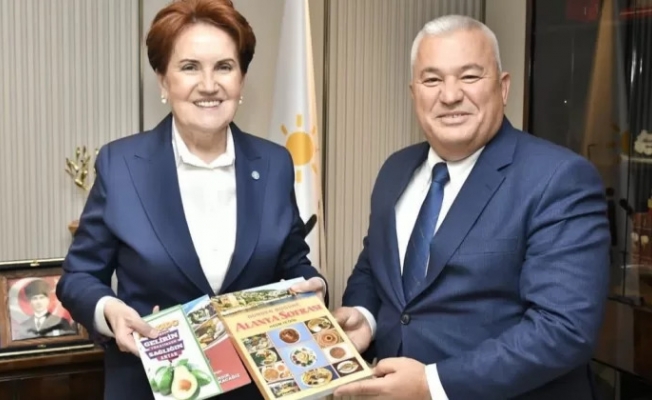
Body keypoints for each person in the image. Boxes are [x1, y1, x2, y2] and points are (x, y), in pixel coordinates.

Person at [55, 0, 325, 399]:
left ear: (242, 79)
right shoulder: (121, 165)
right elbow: (78, 277)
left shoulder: (274, 164)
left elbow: (292, 262)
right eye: (190, 67)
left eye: (224, 67)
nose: (209, 84)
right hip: (149, 384)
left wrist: (313, 285)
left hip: (253, 388)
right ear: (164, 82)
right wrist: (109, 311)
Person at [333, 15, 610, 400]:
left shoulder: (559, 179)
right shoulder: (395, 169)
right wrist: (365, 317)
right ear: (414, 93)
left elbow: (563, 329)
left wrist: (432, 385)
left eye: (469, 76)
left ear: (503, 87)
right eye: (432, 80)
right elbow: (375, 265)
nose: (450, 95)